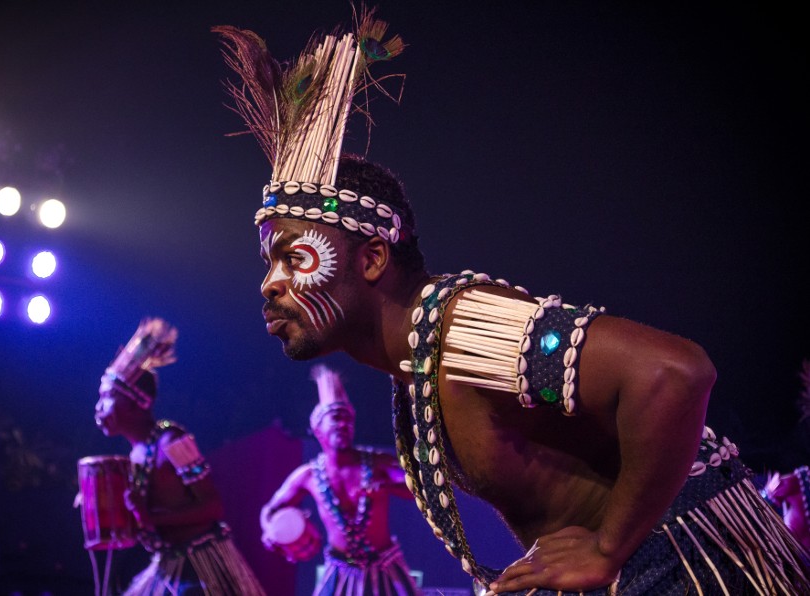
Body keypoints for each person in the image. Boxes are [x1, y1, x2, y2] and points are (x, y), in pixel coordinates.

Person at [213, 9, 810, 595]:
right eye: (269, 261)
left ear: (372, 258)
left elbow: (674, 374)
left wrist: (607, 549)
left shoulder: (468, 333)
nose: (270, 282)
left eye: (296, 257)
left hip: (686, 560)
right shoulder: (421, 360)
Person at [94, 318, 266, 596]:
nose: (98, 408)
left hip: (201, 570)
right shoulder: (137, 453)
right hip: (167, 566)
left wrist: (150, 517)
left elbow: (213, 508)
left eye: (106, 398)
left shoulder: (173, 442)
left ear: (136, 403)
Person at [259, 364, 421, 596]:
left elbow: (414, 485)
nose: (343, 424)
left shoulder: (377, 463)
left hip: (385, 568)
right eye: (336, 418)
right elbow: (271, 508)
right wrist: (270, 531)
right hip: (340, 570)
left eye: (348, 419)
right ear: (318, 428)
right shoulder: (308, 475)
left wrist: (385, 486)